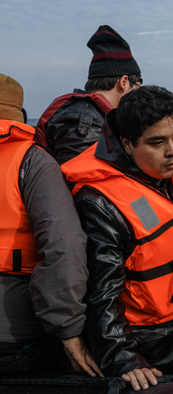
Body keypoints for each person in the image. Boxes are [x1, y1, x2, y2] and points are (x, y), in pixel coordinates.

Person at [61, 86, 173, 391]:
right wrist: (125, 359)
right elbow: (103, 293)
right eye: (156, 143)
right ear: (127, 144)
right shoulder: (100, 202)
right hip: (164, 343)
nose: (172, 151)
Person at [0, 74, 101, 377]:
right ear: (19, 115)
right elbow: (64, 247)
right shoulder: (32, 162)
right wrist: (68, 331)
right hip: (14, 340)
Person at [35, 25, 141, 164]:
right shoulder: (84, 123)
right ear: (124, 82)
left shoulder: (87, 115)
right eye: (138, 87)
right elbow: (84, 181)